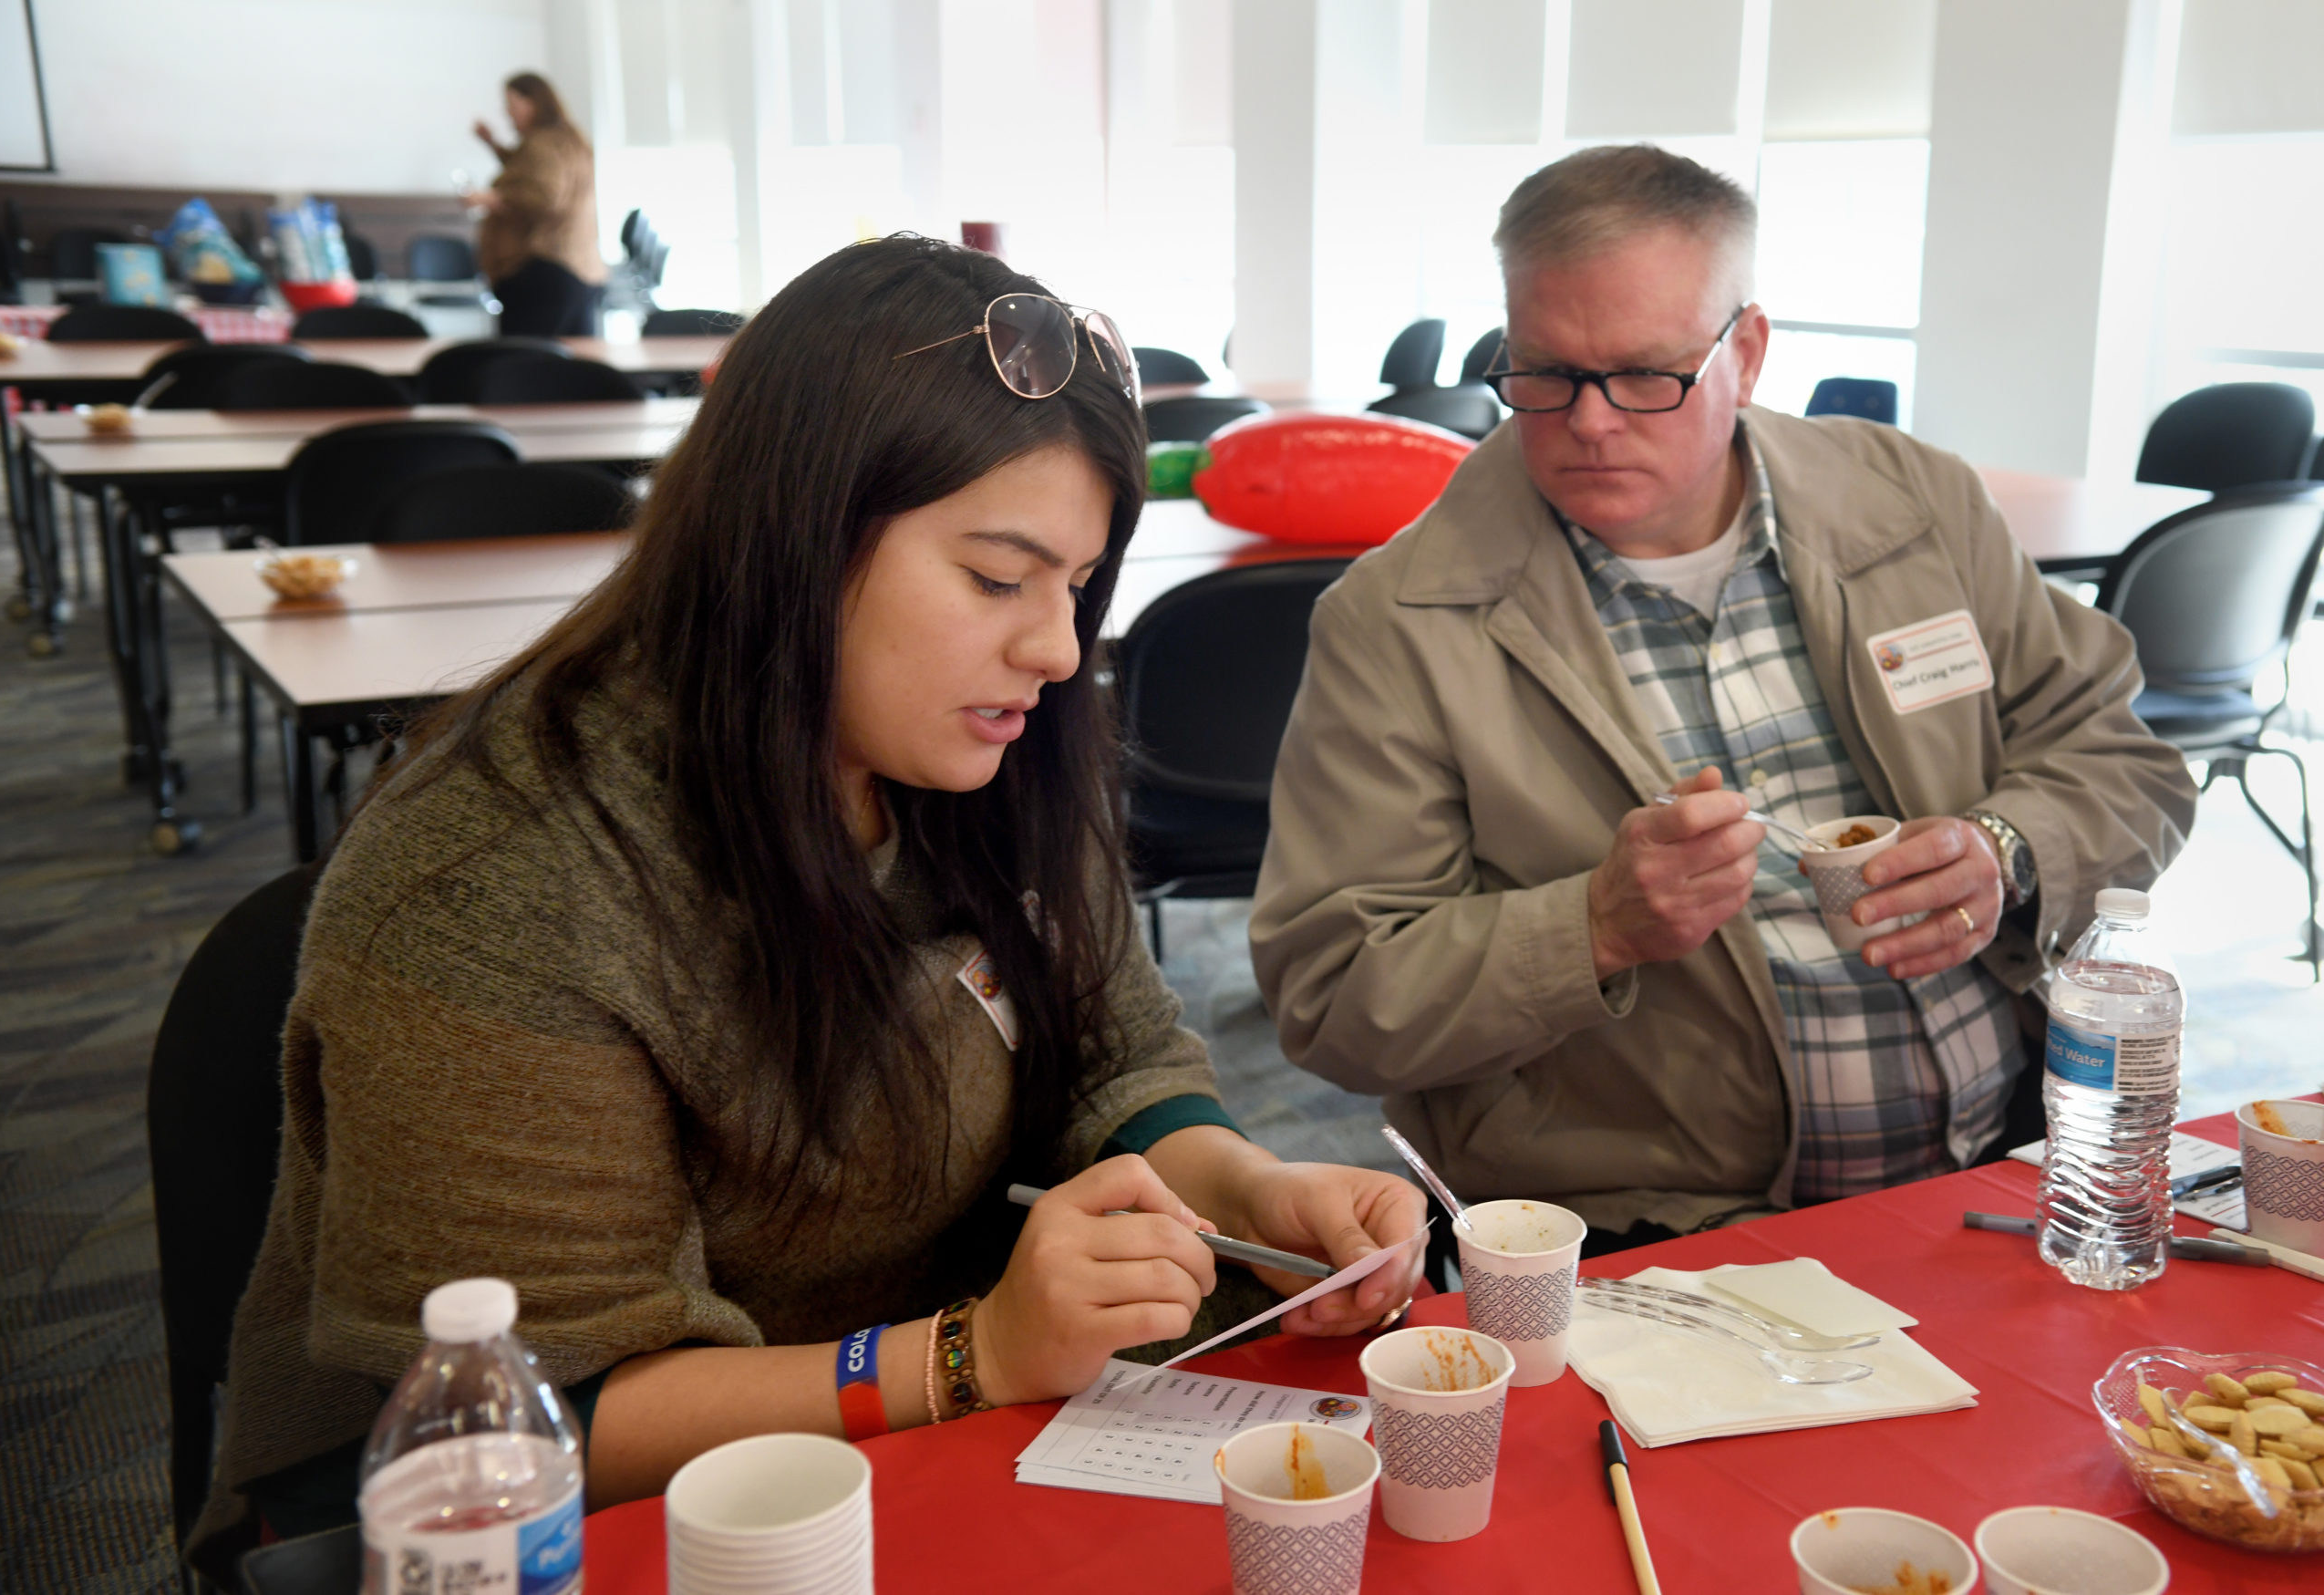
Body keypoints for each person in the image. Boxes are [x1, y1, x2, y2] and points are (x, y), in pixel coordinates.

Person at [190, 237, 1423, 1570]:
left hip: (909, 1444)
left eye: (1075, 587)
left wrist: (1253, 1190)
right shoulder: (501, 877)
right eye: (997, 579)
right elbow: (540, 1409)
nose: (1058, 651)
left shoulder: (982, 758)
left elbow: (1119, 1056)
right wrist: (970, 1356)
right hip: (523, 1517)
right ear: (792, 534)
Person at [1250, 145, 2197, 1252]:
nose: (1591, 422)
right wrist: (1592, 927)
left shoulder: (1910, 505)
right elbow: (1334, 993)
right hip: (1664, 1231)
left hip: (2007, 1177)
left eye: (1648, 375)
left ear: (1744, 352)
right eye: (1546, 375)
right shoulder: (1401, 619)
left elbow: (2124, 763)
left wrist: (2006, 848)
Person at [469, 72, 607, 336]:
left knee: (525, 364)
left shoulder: (542, 143)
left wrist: (492, 199)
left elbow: (545, 197)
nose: (507, 112)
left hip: (543, 268)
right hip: (577, 268)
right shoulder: (567, 139)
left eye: (511, 103)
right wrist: (493, 145)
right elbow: (530, 172)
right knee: (573, 364)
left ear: (531, 102)